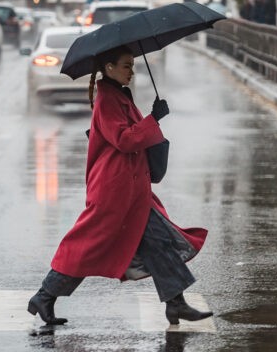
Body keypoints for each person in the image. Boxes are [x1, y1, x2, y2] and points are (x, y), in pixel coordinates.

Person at [28, 45, 212, 326]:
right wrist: (154, 119)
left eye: (133, 65)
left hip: (132, 188)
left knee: (158, 242)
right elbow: (124, 140)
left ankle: (176, 304)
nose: (131, 71)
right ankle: (44, 295)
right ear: (109, 68)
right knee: (88, 246)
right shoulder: (107, 99)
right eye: (126, 65)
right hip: (115, 190)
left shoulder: (119, 95)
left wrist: (150, 119)